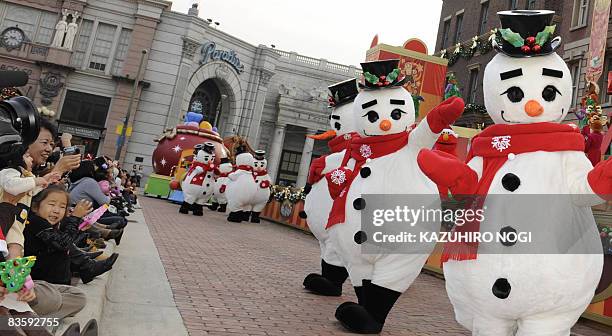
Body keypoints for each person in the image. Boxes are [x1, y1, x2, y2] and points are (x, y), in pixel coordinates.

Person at [3, 119, 87, 322]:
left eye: (52, 144)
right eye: (44, 142)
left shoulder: (29, 180)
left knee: (77, 297)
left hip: (16, 272)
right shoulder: (11, 179)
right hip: (14, 273)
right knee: (46, 297)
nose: (49, 148)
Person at [25, 185, 118, 285]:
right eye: (52, 204)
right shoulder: (36, 222)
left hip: (52, 280)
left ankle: (86, 266)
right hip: (44, 281)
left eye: (62, 207)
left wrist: (79, 228)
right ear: (35, 207)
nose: (56, 210)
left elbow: (65, 241)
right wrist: (75, 218)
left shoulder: (45, 222)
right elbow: (63, 243)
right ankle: (87, 266)